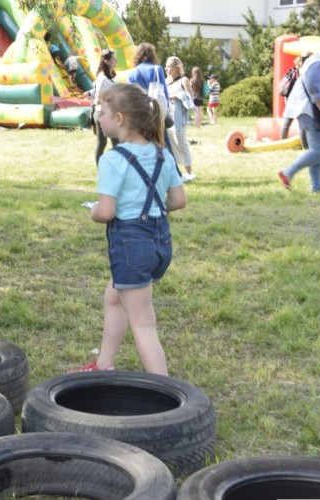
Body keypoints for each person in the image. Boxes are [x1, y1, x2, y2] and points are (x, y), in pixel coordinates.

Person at [70, 83, 187, 376]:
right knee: (114, 296)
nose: (99, 118)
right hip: (160, 244)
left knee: (143, 324)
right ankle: (104, 363)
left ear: (119, 118)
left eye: (103, 112)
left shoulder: (112, 159)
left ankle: (165, 390)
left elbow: (106, 212)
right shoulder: (163, 154)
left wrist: (93, 211)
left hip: (131, 246)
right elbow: (178, 200)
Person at [278, 40, 320, 193]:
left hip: (313, 110)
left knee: (319, 149)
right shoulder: (318, 64)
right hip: (312, 111)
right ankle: (288, 172)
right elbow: (315, 89)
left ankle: (316, 186)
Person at [127, 43, 180, 175]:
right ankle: (175, 173)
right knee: (164, 142)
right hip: (156, 111)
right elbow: (164, 92)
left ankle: (144, 171)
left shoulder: (132, 73)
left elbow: (130, 95)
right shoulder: (156, 69)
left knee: (142, 143)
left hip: (140, 112)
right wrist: (165, 109)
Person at [165, 56, 196, 182]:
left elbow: (190, 98)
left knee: (181, 142)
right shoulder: (166, 81)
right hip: (167, 115)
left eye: (169, 66)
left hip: (179, 116)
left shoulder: (184, 80)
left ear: (176, 67)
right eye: (166, 66)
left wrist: (176, 96)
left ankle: (189, 173)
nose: (166, 69)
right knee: (170, 143)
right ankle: (176, 172)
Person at [93, 49, 120, 165]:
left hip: (111, 113)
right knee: (102, 143)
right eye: (113, 59)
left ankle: (117, 167)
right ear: (106, 61)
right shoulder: (102, 78)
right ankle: (100, 170)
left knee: (117, 143)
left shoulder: (113, 76)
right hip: (102, 113)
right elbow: (98, 99)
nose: (116, 61)